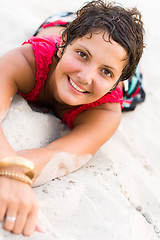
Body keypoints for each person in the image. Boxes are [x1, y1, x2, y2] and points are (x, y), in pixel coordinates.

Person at [0, 0, 145, 236]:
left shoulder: (105, 112)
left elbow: (55, 155)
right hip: (60, 24)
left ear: (114, 84)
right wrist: (9, 167)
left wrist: (16, 171)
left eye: (105, 72)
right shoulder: (29, 60)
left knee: (113, 55)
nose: (85, 77)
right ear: (63, 46)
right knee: (90, 38)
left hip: (102, 51)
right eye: (82, 55)